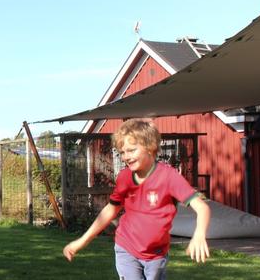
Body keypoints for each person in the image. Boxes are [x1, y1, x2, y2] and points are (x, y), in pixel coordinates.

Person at [63, 119, 211, 280]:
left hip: (156, 255)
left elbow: (202, 208)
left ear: (150, 147)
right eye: (122, 152)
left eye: (131, 150)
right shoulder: (125, 178)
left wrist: (199, 234)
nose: (126, 157)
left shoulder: (169, 177)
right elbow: (111, 210)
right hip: (126, 247)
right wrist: (83, 240)